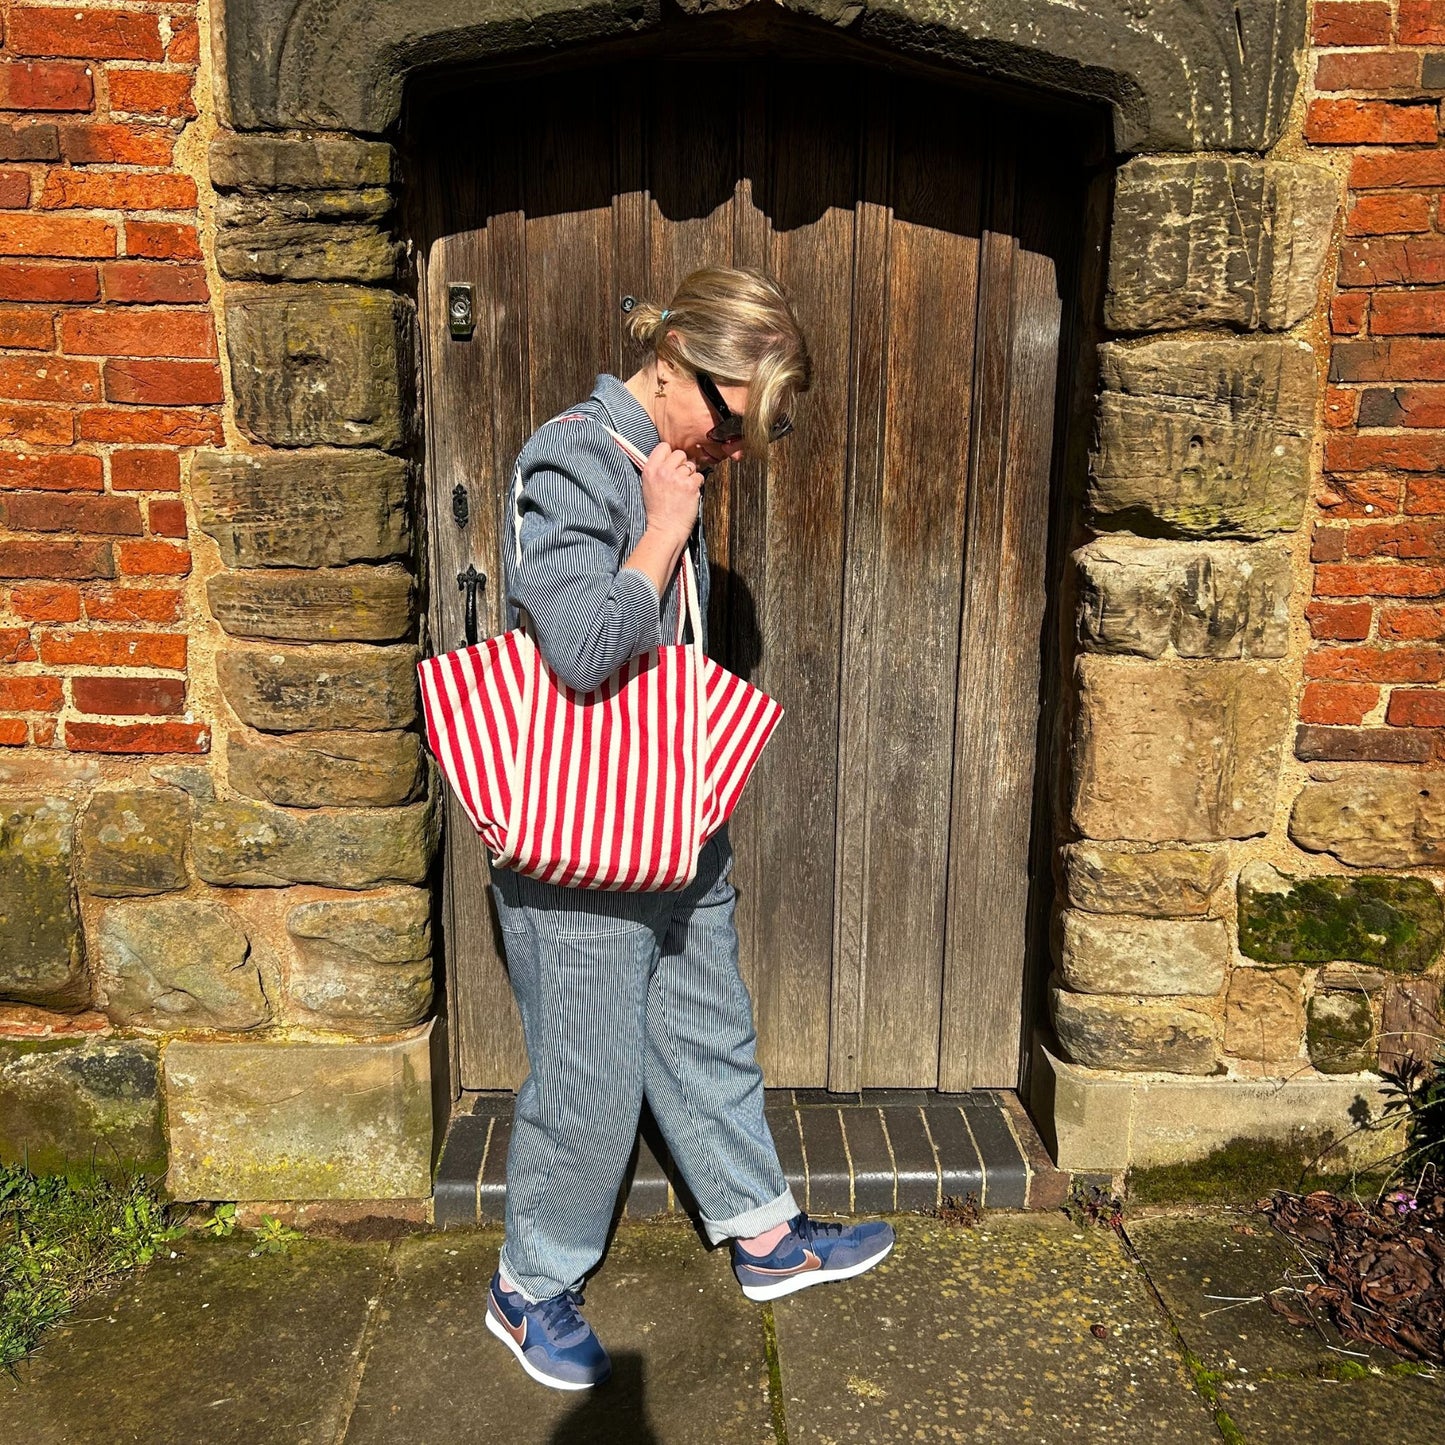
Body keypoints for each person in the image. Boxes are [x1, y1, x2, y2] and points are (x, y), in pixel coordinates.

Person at [483, 266, 895, 1391]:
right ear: (673, 363)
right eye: (730, 418)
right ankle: (529, 1285)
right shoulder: (574, 453)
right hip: (581, 835)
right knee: (588, 1076)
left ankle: (765, 1235)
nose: (733, 447)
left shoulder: (669, 455)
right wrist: (662, 529)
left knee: (707, 1023)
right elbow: (575, 647)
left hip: (668, 811)